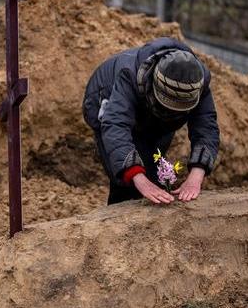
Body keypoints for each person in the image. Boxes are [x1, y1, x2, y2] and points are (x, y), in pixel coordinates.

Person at [82, 37, 220, 205]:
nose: (172, 111)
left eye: (178, 109)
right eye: (168, 106)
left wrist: (196, 176)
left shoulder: (198, 83)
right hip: (105, 102)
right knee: (129, 182)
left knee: (153, 170)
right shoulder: (129, 75)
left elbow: (206, 127)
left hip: (156, 120)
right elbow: (115, 125)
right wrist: (137, 176)